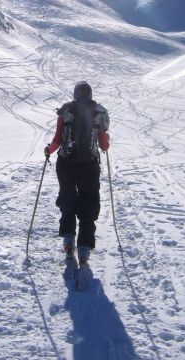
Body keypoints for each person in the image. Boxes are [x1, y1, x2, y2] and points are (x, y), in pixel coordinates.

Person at [45, 81, 110, 265]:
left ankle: (68, 238)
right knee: (88, 202)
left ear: (75, 94)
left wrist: (49, 150)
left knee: (67, 198)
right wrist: (106, 141)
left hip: (66, 162)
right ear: (90, 94)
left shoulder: (65, 111)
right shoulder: (99, 112)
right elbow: (103, 145)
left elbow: (57, 139)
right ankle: (84, 246)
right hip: (89, 165)